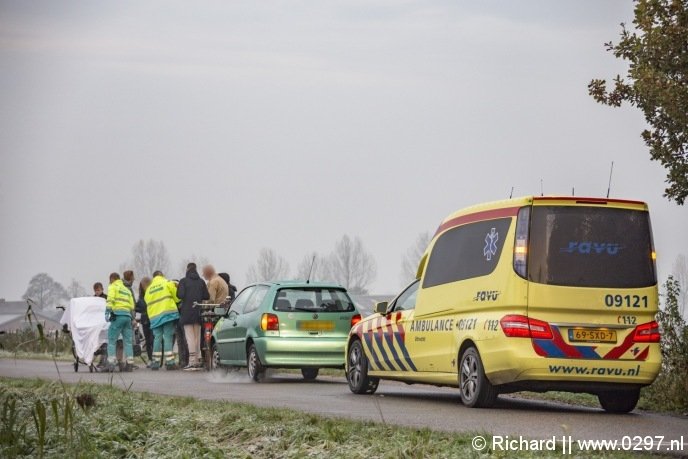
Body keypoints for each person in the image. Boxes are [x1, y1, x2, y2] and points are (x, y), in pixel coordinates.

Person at [144, 271, 181, 371]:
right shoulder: (167, 283)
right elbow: (177, 298)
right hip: (167, 314)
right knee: (168, 337)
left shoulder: (149, 289)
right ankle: (170, 362)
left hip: (155, 317)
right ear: (162, 275)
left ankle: (155, 362)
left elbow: (147, 302)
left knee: (157, 338)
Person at [177, 263, 210, 371]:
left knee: (190, 337)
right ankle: (197, 359)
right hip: (198, 312)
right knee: (197, 337)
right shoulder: (201, 282)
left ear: (187, 269)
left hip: (186, 312)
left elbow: (180, 295)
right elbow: (207, 296)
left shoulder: (183, 281)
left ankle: (192, 361)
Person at [105, 272, 135, 372]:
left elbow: (110, 300)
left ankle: (111, 363)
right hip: (127, 317)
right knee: (128, 342)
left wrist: (108, 312)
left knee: (112, 339)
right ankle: (130, 363)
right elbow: (132, 306)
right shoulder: (127, 290)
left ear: (112, 279)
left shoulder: (113, 287)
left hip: (118, 316)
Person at [136, 277, 154, 362]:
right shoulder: (141, 298)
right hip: (146, 320)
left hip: (150, 319)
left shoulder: (143, 297)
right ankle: (151, 358)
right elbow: (136, 308)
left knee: (151, 339)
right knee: (148, 340)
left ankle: (153, 358)